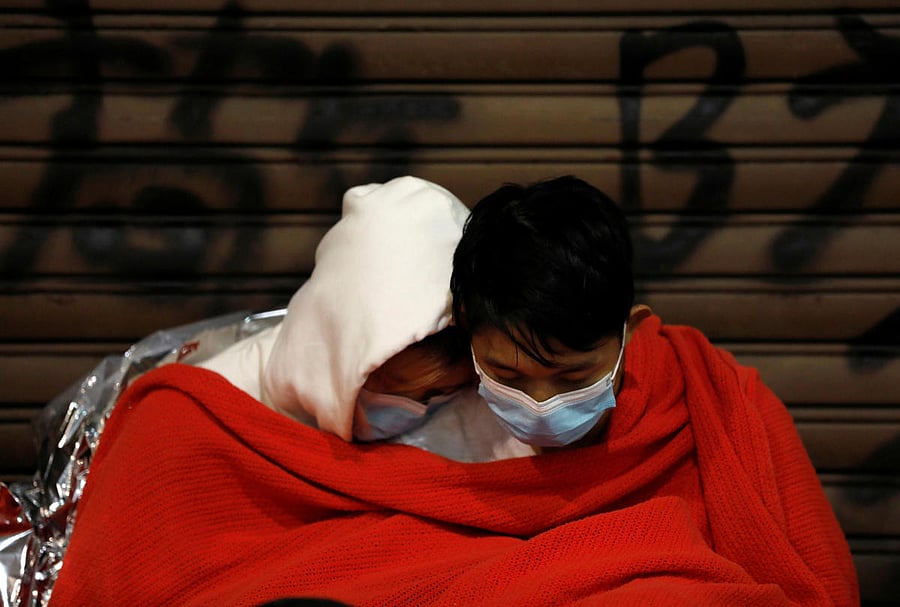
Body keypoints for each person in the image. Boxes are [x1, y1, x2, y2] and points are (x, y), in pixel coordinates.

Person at [450, 175, 859, 603]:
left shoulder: (725, 406)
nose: (540, 404)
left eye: (574, 379)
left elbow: (819, 583)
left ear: (631, 330)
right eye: (508, 378)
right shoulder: (433, 414)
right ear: (464, 327)